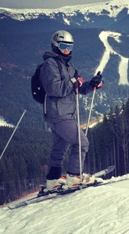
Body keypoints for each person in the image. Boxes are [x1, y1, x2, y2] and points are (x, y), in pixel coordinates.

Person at [39, 30, 103, 191]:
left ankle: (53, 179)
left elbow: (78, 87)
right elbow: (54, 88)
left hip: (64, 114)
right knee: (82, 143)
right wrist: (73, 82)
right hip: (59, 114)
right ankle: (74, 176)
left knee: (60, 146)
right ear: (55, 45)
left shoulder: (68, 66)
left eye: (69, 46)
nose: (66, 49)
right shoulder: (50, 64)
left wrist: (92, 84)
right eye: (63, 45)